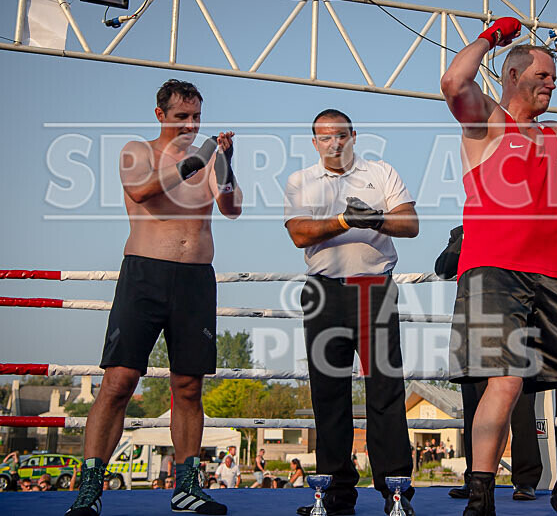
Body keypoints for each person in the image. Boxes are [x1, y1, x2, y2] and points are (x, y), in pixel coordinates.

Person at [440, 16, 557, 516]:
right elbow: (453, 81)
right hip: (492, 270)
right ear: (512, 76)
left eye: (553, 77)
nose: (552, 84)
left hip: (550, 273)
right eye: (543, 76)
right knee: (503, 381)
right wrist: (491, 37)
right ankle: (481, 495)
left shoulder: (553, 135)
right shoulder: (486, 120)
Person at [65, 78, 241, 516]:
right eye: (181, 117)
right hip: (145, 273)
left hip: (196, 277)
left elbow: (232, 208)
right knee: (119, 381)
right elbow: (141, 191)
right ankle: (90, 489)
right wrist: (194, 161)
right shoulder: (137, 151)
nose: (190, 125)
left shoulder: (209, 157)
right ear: (160, 115)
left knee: (188, 385)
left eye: (196, 117)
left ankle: (186, 488)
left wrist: (225, 163)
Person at [284, 109, 419, 516]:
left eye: (341, 135)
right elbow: (297, 233)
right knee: (328, 393)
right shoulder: (300, 180)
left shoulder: (381, 172)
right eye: (325, 138)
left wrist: (375, 217)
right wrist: (344, 220)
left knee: (385, 391)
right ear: (314, 142)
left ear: (354, 135)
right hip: (324, 292)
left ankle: (396, 494)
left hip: (374, 288)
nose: (334, 143)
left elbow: (410, 223)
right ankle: (335, 494)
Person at [436, 227, 544, 503]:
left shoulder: (517, 226)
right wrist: (464, 240)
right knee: (474, 409)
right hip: (474, 326)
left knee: (521, 410)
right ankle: (476, 479)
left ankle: (526, 480)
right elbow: (443, 268)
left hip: (517, 321)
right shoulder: (462, 232)